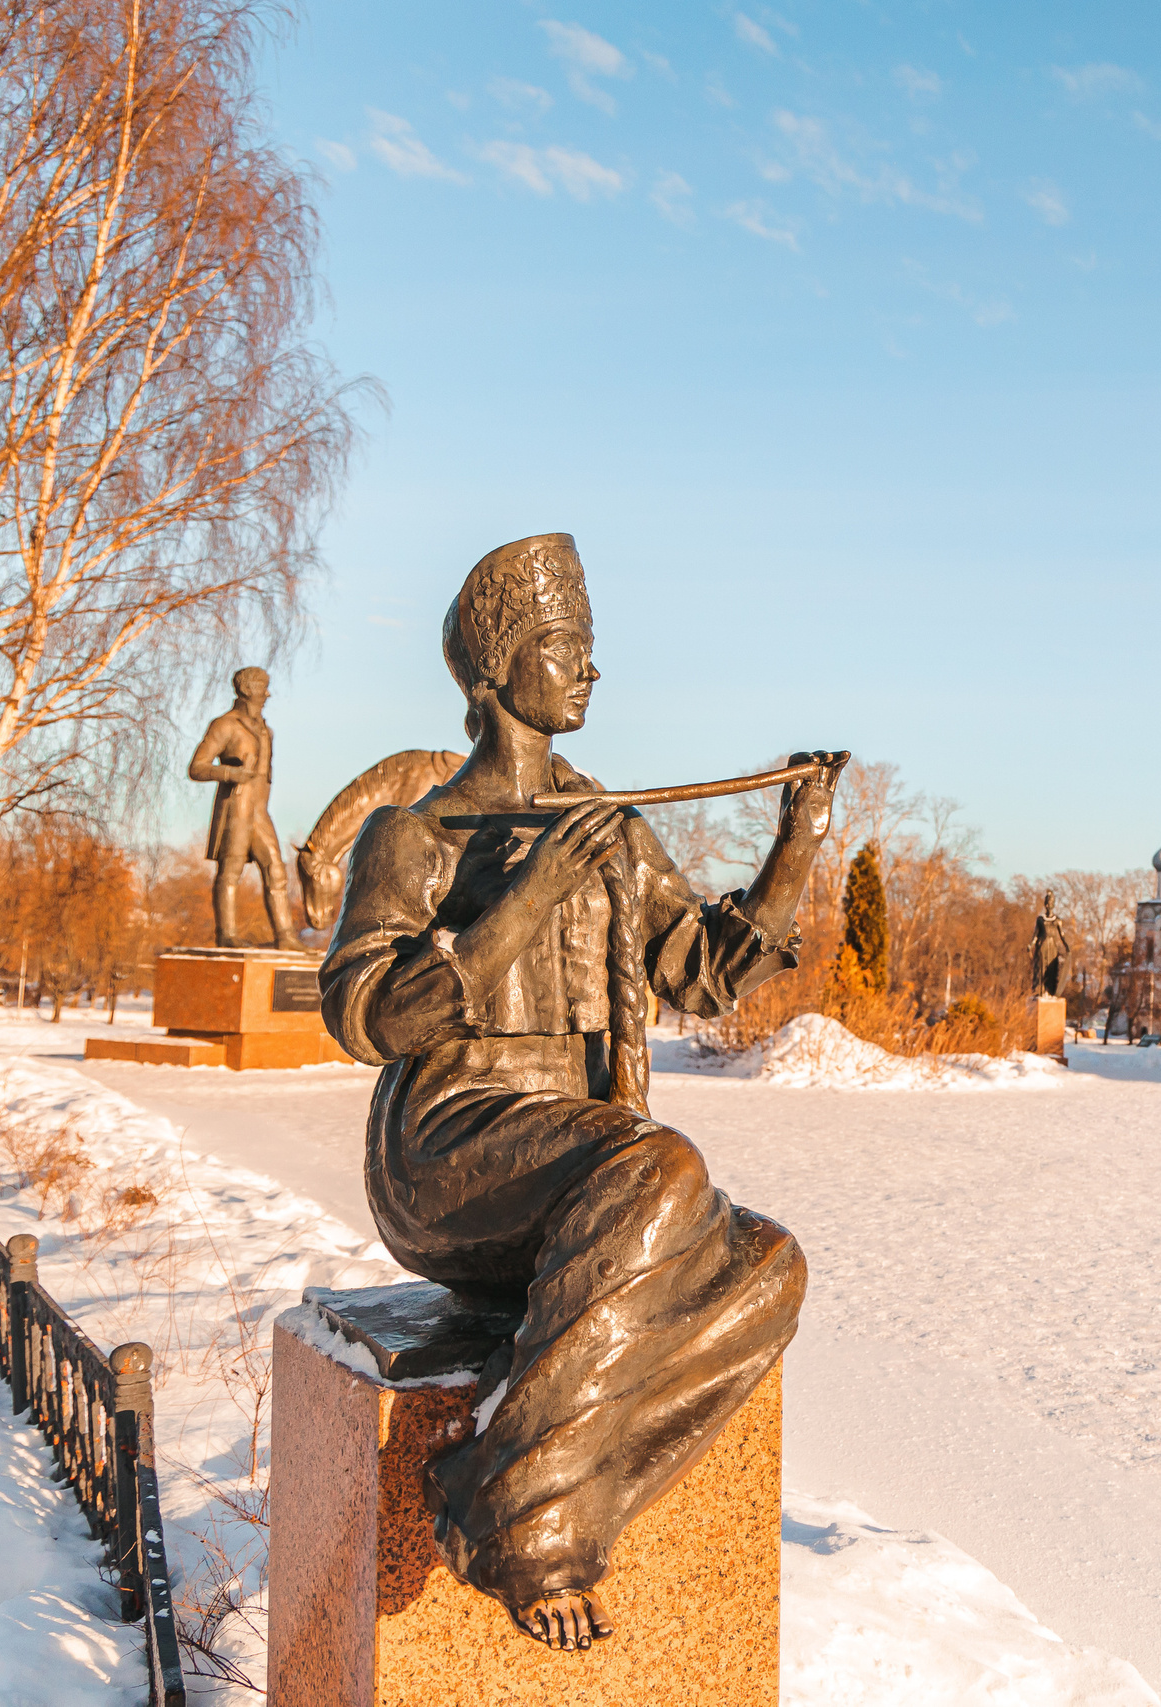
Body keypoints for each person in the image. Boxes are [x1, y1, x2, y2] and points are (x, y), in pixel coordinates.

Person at [320, 533, 837, 1652]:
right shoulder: (417, 835)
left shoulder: (612, 830)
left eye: (589, 647)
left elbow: (699, 970)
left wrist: (795, 850)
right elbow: (366, 1016)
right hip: (447, 1149)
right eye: (566, 647)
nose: (591, 668)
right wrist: (523, 897)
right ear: (497, 668)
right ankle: (527, 1527)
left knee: (766, 1264)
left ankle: (546, 1479)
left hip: (588, 1162)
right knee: (656, 1164)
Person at [186, 666, 304, 950]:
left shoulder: (266, 730)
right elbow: (197, 767)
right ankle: (226, 934)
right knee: (231, 870)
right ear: (248, 689)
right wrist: (231, 773)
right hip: (236, 808)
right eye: (263, 687)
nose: (268, 693)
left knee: (276, 869)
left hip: (260, 812)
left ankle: (286, 937)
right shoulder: (225, 725)